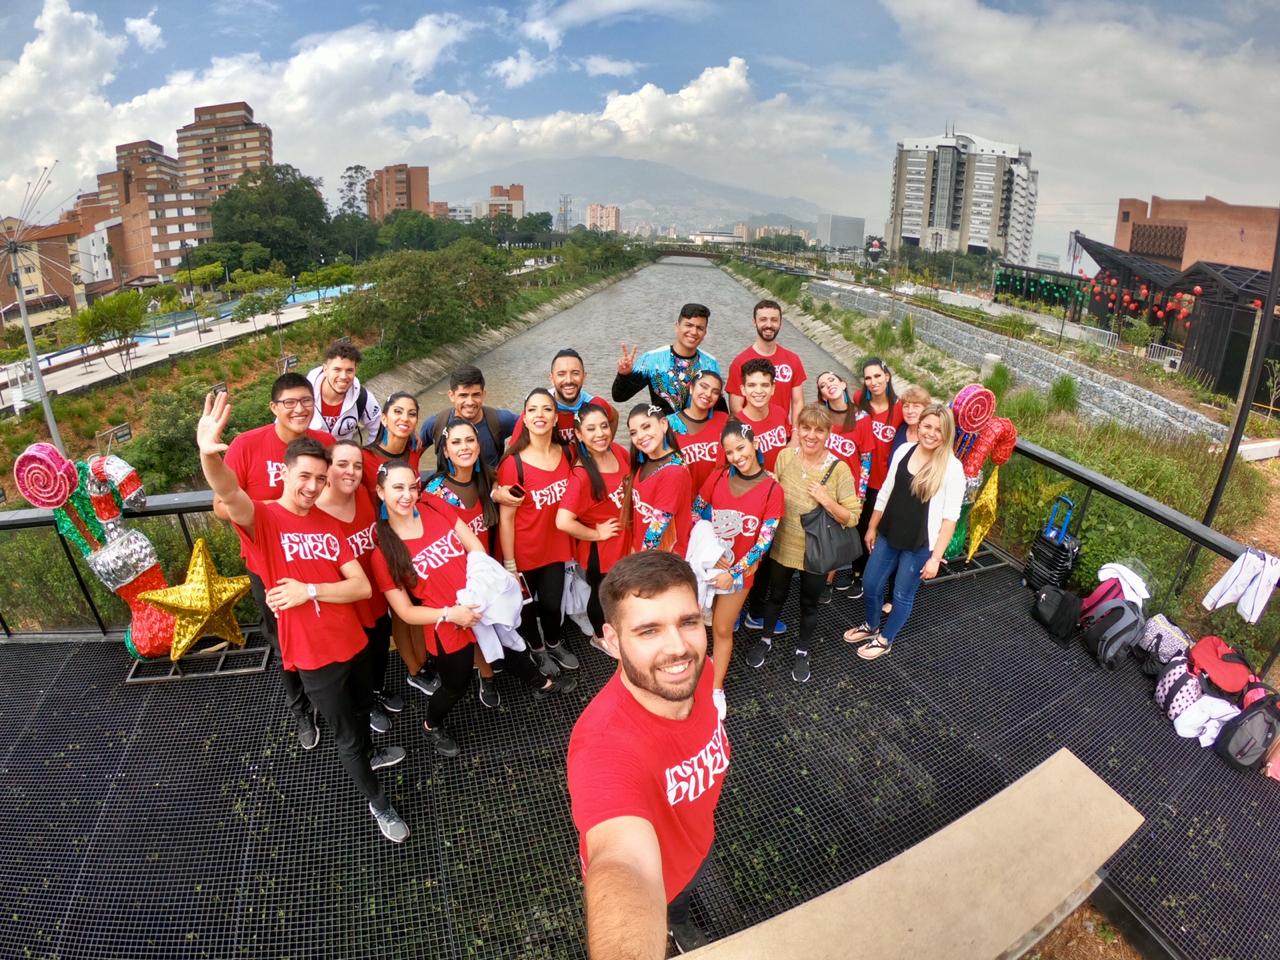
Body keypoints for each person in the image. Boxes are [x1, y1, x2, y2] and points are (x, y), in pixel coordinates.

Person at [197, 392, 409, 844]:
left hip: (350, 639)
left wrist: (310, 590)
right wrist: (207, 454)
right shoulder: (266, 521)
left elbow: (360, 587)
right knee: (346, 735)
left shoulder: (328, 526)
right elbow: (229, 492)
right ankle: (379, 803)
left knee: (359, 709)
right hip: (314, 655)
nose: (312, 486)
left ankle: (371, 756)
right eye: (304, 477)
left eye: (320, 477)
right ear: (285, 474)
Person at [567, 551, 730, 957]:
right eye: (648, 631)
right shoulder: (603, 747)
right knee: (666, 898)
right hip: (653, 879)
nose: (678, 649)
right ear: (611, 639)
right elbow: (626, 863)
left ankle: (677, 922)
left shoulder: (700, 670)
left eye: (688, 622)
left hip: (696, 845)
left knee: (681, 900)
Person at [370, 461, 577, 758]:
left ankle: (541, 684)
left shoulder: (433, 505)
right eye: (397, 488)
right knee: (456, 684)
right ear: (380, 492)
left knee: (510, 645)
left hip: (478, 600)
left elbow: (474, 547)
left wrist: (479, 592)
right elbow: (405, 612)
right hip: (446, 622)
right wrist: (451, 613)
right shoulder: (384, 553)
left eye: (412, 486)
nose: (407, 495)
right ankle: (431, 725)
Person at [218, 372, 334, 749]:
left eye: (306, 401)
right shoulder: (247, 445)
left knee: (327, 631)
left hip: (316, 558)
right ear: (274, 407)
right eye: (290, 402)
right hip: (267, 565)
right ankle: (301, 709)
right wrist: (277, 509)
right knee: (283, 641)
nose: (299, 409)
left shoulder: (325, 443)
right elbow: (222, 506)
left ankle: (342, 703)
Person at [746, 404, 861, 683]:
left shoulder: (839, 469)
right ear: (797, 430)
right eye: (805, 428)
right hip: (784, 543)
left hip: (816, 551)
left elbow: (853, 517)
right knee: (776, 596)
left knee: (809, 603)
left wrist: (826, 499)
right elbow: (774, 495)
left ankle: (802, 650)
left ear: (828, 434)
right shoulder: (785, 457)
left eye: (818, 430)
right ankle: (766, 638)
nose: (811, 435)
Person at [844, 404, 964, 660]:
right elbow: (886, 490)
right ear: (919, 425)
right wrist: (872, 526)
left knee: (901, 594)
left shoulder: (952, 468)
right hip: (889, 534)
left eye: (938, 430)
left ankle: (885, 639)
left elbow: (950, 518)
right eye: (927, 426)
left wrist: (935, 557)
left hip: (919, 544)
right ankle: (871, 625)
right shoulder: (904, 450)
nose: (931, 433)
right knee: (871, 583)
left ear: (947, 434)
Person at [691, 420, 784, 717]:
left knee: (721, 627)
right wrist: (709, 551)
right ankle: (691, 676)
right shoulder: (718, 477)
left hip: (737, 574)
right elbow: (694, 511)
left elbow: (764, 541)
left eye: (741, 448)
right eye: (729, 451)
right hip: (706, 567)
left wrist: (734, 571)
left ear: (754, 444)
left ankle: (716, 687)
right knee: (695, 625)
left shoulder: (772, 489)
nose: (736, 456)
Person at [315, 440, 401, 733]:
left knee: (379, 647)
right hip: (346, 602)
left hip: (376, 593)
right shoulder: (315, 514)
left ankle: (376, 689)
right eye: (342, 464)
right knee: (357, 660)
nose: (350, 472)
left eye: (357, 465)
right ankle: (365, 704)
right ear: (327, 467)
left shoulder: (364, 496)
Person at [421, 419, 505, 709]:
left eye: (470, 440)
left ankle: (490, 667)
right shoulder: (434, 492)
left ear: (479, 444)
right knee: (473, 628)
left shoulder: (486, 480)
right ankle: (486, 674)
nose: (464, 447)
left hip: (487, 566)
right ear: (444, 451)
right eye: (456, 443)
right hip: (457, 576)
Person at [497, 389, 578, 674]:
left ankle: (554, 643)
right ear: (525, 418)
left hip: (555, 549)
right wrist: (510, 564)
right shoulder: (514, 464)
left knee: (553, 605)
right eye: (533, 410)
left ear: (556, 418)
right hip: (524, 551)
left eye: (546, 409)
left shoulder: (568, 453)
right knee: (528, 610)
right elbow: (507, 518)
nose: (539, 415)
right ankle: (538, 650)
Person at [556, 402, 630, 652]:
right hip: (601, 550)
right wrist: (596, 533)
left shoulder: (618, 451)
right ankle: (599, 637)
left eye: (604, 426)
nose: (600, 434)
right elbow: (563, 521)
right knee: (602, 595)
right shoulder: (582, 475)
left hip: (624, 540)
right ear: (579, 434)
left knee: (623, 590)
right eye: (591, 429)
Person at [841, 358, 903, 598]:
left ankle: (868, 576)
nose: (873, 382)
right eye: (868, 378)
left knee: (873, 530)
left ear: (887, 376)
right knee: (856, 528)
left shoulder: (899, 407)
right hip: (859, 480)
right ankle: (856, 572)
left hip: (883, 483)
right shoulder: (859, 400)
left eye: (878, 376)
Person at [612, 303, 720, 414]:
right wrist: (624, 375)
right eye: (689, 325)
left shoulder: (711, 363)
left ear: (705, 332)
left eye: (700, 328)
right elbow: (619, 396)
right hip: (665, 428)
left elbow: (718, 405)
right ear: (677, 326)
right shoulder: (652, 359)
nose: (693, 332)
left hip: (701, 430)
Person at [623, 403, 694, 556]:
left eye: (646, 427)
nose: (640, 436)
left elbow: (657, 527)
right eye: (633, 433)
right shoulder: (645, 462)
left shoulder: (673, 471)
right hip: (643, 553)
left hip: (663, 561)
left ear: (663, 424)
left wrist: (638, 561)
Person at [510, 348, 618, 446]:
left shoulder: (595, 404)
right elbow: (514, 448)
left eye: (575, 373)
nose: (569, 380)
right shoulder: (538, 408)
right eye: (561, 374)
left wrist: (604, 447)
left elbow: (614, 417)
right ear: (551, 378)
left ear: (584, 377)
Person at [419, 365, 519, 471]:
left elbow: (530, 426)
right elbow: (414, 454)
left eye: (476, 395)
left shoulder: (501, 420)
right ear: (451, 396)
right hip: (448, 486)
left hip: (490, 486)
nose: (470, 402)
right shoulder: (435, 424)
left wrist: (511, 462)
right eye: (463, 395)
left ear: (484, 394)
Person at [725, 299, 807, 428]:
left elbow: (798, 402)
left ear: (781, 323)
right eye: (763, 319)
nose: (769, 325)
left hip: (783, 433)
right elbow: (736, 407)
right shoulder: (739, 362)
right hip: (753, 435)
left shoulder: (793, 360)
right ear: (754, 322)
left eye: (774, 320)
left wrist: (796, 432)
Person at [666, 369, 728, 494]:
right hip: (682, 501)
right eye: (703, 387)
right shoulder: (668, 424)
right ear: (691, 388)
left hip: (717, 501)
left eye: (715, 392)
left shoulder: (724, 421)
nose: (708, 394)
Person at [306, 340, 381, 443]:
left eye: (349, 370)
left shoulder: (362, 398)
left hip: (341, 458)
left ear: (355, 370)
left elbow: (379, 430)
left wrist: (368, 456)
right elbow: (282, 428)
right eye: (337, 369)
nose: (343, 376)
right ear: (325, 369)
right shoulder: (302, 394)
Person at [361, 391, 421, 498]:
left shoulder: (415, 450)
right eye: (398, 411)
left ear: (416, 422)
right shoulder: (364, 458)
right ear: (384, 419)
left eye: (412, 414)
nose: (405, 418)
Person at [735, 358, 791, 471]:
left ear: (773, 388)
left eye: (765, 385)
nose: (758, 391)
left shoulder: (780, 413)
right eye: (751, 385)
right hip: (757, 486)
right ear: (743, 390)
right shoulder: (735, 426)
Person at [889, 385, 932, 456]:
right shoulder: (899, 429)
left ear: (926, 409)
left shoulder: (930, 437)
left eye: (916, 406)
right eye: (906, 406)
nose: (910, 411)